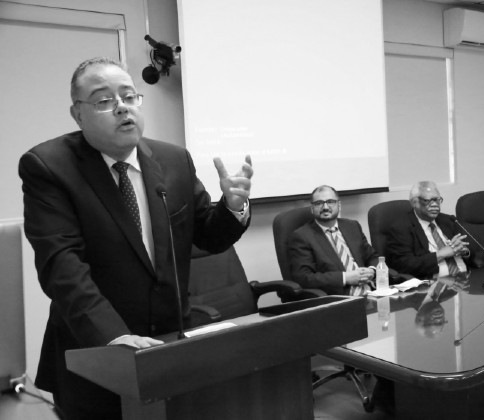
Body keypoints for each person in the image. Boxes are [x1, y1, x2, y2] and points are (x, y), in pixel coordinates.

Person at [18, 57, 253, 420]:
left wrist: (233, 207)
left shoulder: (173, 160)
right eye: (103, 100)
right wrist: (113, 338)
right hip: (95, 356)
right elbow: (62, 266)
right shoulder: (49, 167)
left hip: (169, 348)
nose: (122, 107)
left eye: (129, 96)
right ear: (77, 114)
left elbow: (208, 234)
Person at [288, 185, 381, 295]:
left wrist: (372, 271)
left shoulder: (352, 226)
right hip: (341, 298)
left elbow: (373, 257)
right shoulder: (302, 236)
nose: (325, 207)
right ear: (312, 208)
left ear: (339, 205)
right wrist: (345, 278)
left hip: (372, 292)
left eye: (330, 202)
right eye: (319, 203)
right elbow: (304, 278)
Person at [386, 181, 473, 280]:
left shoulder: (448, 220)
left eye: (437, 200)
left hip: (465, 280)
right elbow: (404, 265)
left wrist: (464, 251)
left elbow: (476, 254)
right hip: (434, 285)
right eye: (428, 201)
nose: (435, 205)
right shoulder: (401, 227)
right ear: (414, 202)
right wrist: (441, 254)